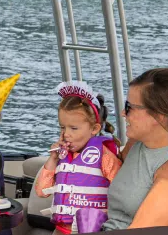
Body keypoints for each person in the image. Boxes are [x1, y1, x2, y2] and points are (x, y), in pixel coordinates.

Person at [102, 68, 168, 230]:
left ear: (159, 115)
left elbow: (141, 232)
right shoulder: (136, 144)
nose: (123, 113)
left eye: (129, 107)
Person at [35, 82, 122, 234]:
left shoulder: (105, 156)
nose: (66, 134)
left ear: (94, 128)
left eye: (74, 128)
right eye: (63, 127)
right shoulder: (62, 156)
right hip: (61, 230)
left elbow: (121, 192)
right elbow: (42, 191)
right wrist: (53, 159)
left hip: (93, 229)